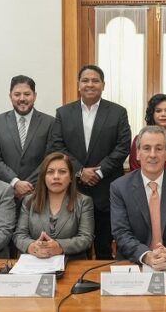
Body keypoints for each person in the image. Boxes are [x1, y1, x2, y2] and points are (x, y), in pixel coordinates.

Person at [49, 65, 131, 259]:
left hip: (106, 189)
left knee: (104, 246)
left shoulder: (118, 112)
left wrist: (98, 172)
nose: (90, 84)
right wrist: (80, 171)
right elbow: (57, 146)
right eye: (85, 80)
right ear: (78, 85)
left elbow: (123, 146)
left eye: (95, 81)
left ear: (103, 85)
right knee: (76, 247)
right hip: (73, 191)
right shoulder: (63, 113)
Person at [110, 126, 166, 268]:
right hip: (134, 261)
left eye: (159, 148)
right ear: (137, 153)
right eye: (146, 148)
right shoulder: (119, 187)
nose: (152, 154)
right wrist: (147, 256)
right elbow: (121, 233)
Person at [12, 152, 94, 260]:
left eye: (62, 172)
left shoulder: (84, 202)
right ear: (43, 177)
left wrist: (59, 246)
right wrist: (32, 246)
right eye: (50, 172)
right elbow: (19, 235)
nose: (56, 177)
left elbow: (86, 238)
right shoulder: (29, 201)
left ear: (70, 177)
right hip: (35, 263)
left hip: (73, 263)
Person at [0, 75, 55, 207]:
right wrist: (16, 183)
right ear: (10, 96)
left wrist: (28, 186)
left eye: (27, 94)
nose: (22, 99)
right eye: (17, 94)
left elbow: (50, 159)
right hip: (6, 195)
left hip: (39, 195)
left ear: (34, 96)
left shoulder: (50, 122)